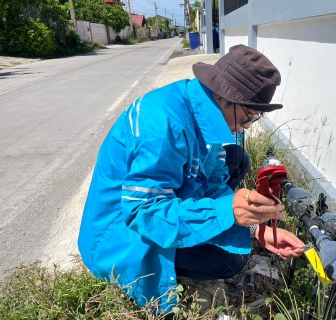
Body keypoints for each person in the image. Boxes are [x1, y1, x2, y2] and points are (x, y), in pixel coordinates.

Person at [78, 44, 305, 311]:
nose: (245, 126)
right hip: (119, 233)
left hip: (154, 199)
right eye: (248, 117)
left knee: (237, 158)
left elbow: (212, 180)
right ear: (224, 96)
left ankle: (196, 231)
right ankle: (159, 268)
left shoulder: (203, 105)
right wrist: (228, 212)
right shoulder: (162, 125)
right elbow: (141, 211)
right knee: (231, 261)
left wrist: (255, 227)